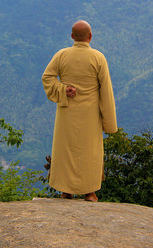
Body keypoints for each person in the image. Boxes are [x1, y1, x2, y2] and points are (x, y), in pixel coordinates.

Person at [42, 20, 118, 202]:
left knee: (65, 150)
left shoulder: (62, 55)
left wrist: (62, 89)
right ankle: (90, 193)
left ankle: (65, 191)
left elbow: (47, 77)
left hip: (66, 112)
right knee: (90, 151)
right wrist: (109, 123)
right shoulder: (98, 57)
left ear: (72, 36)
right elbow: (106, 91)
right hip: (90, 115)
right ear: (90, 37)